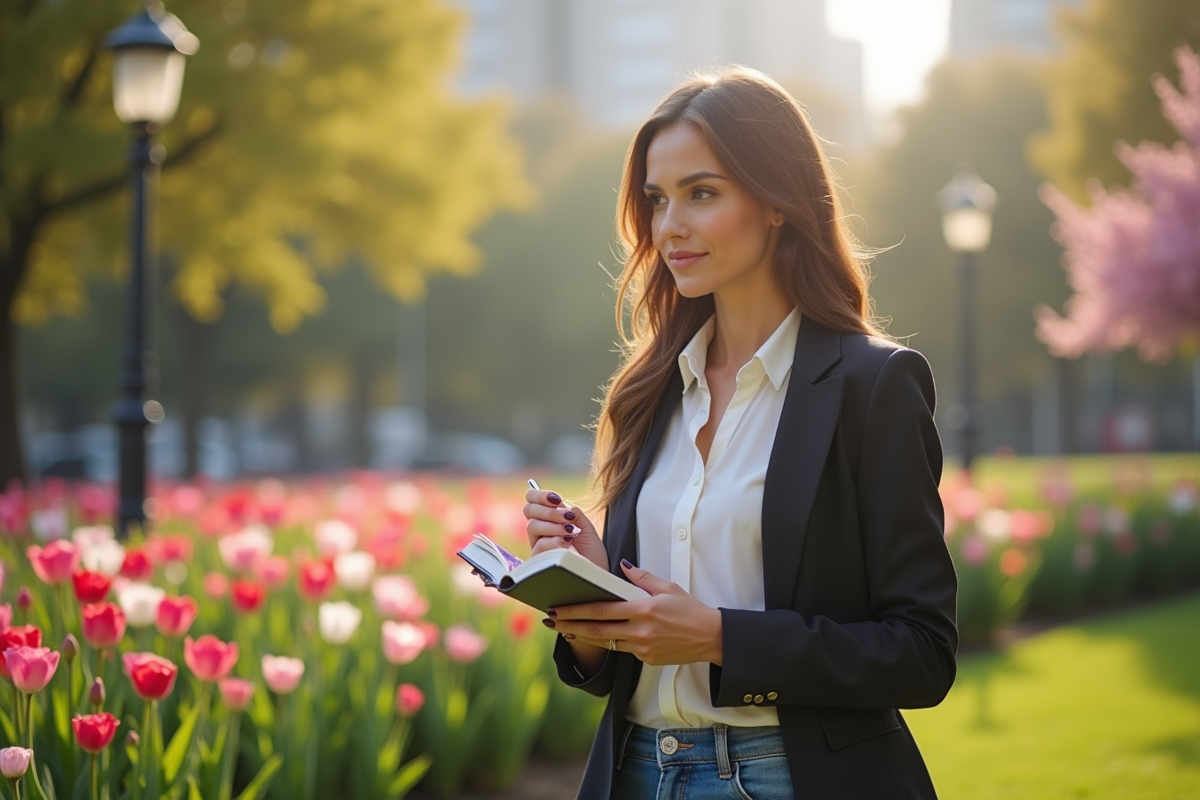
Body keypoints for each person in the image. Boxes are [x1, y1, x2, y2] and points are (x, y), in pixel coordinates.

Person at [523, 66, 957, 800]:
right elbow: (618, 666)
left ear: (778, 202)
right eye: (657, 201)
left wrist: (723, 637)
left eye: (702, 193)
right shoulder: (651, 390)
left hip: (791, 779)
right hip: (634, 773)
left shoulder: (872, 385)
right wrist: (592, 599)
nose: (670, 227)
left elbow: (921, 653)